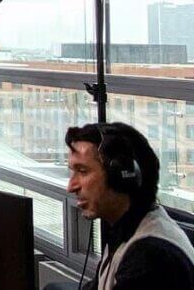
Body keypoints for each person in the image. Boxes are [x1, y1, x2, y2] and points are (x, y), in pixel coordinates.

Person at [65, 122, 194, 290]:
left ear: (122, 175)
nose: (71, 186)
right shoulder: (125, 228)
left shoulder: (150, 259)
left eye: (82, 171)